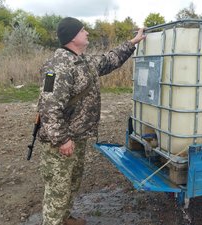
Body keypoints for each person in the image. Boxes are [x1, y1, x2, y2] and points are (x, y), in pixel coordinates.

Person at [36, 17, 146, 225]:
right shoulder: (56, 66)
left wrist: (133, 42)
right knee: (57, 191)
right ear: (72, 37)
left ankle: (65, 218)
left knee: (72, 183)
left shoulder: (83, 61)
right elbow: (48, 108)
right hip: (60, 143)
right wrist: (62, 140)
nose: (87, 33)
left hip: (76, 138)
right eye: (83, 30)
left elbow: (108, 60)